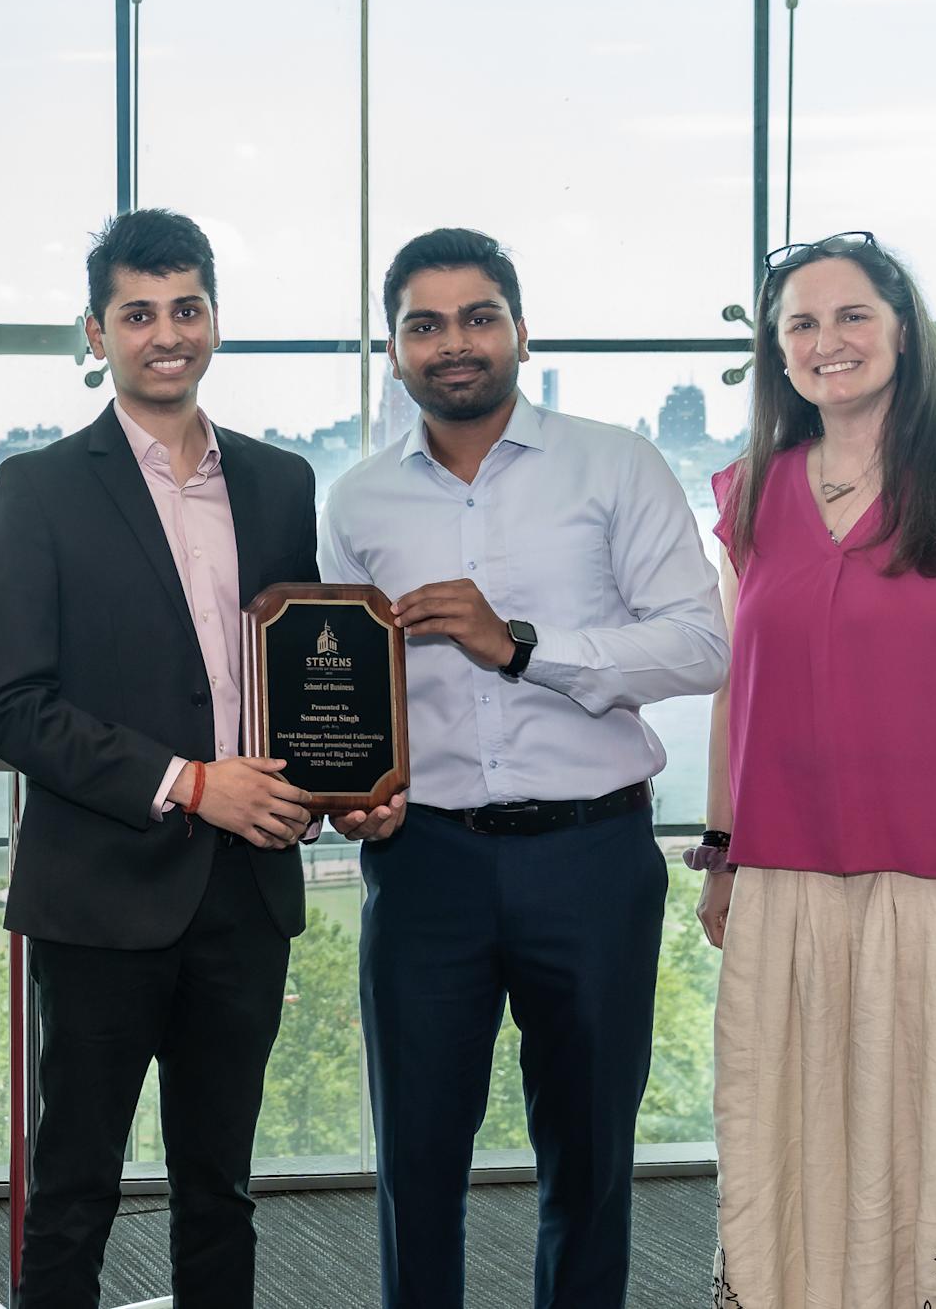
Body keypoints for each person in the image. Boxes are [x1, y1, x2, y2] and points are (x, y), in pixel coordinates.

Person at [318, 228, 727, 1308]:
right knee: (413, 1161)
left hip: (590, 858)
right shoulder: (358, 501)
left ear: (520, 330)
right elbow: (345, 693)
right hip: (423, 865)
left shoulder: (618, 464)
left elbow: (702, 644)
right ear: (393, 349)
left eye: (476, 316)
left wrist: (523, 645)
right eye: (424, 324)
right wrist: (349, 795)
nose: (453, 343)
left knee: (588, 1161)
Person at [697, 232, 936, 1308]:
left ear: (903, 330)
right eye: (803, 325)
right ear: (779, 354)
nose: (831, 342)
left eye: (853, 315)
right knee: (795, 1148)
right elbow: (736, 691)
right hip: (787, 892)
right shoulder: (746, 497)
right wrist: (722, 852)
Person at [0, 208, 343, 1307]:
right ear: (98, 333)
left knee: (220, 1186)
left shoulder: (281, 483)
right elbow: (9, 705)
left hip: (247, 893)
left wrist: (320, 779)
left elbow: (298, 675)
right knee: (76, 1183)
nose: (165, 333)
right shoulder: (37, 489)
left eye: (186, 308)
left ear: (216, 321)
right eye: (138, 313)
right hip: (101, 897)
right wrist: (189, 782)